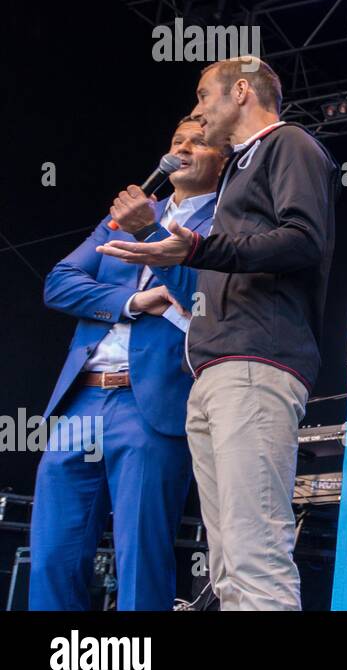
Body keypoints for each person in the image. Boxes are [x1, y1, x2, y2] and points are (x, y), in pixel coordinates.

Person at [97, 56, 339, 610]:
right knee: (227, 564)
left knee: (254, 555)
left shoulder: (290, 144)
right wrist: (168, 243)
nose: (199, 111)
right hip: (213, 368)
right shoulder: (234, 173)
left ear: (242, 92)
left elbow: (303, 239)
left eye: (205, 96)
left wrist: (200, 248)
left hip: (258, 361)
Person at [33, 116, 222, 610]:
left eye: (198, 143)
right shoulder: (128, 214)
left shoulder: (224, 221)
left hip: (152, 402)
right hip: (84, 398)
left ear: (223, 159)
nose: (181, 150)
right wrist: (134, 302)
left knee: (140, 554)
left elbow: (204, 299)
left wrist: (152, 230)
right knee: (54, 553)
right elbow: (58, 283)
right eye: (176, 141)